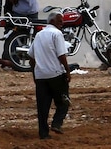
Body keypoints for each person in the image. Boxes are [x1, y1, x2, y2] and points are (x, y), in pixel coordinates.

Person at [28, 11, 71, 139]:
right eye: (60, 21)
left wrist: (34, 74)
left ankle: (43, 134)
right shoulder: (57, 34)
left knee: (43, 107)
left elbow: (31, 57)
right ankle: (57, 123)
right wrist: (68, 71)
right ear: (52, 21)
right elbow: (61, 55)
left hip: (41, 76)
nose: (62, 24)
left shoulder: (39, 35)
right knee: (64, 102)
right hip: (55, 74)